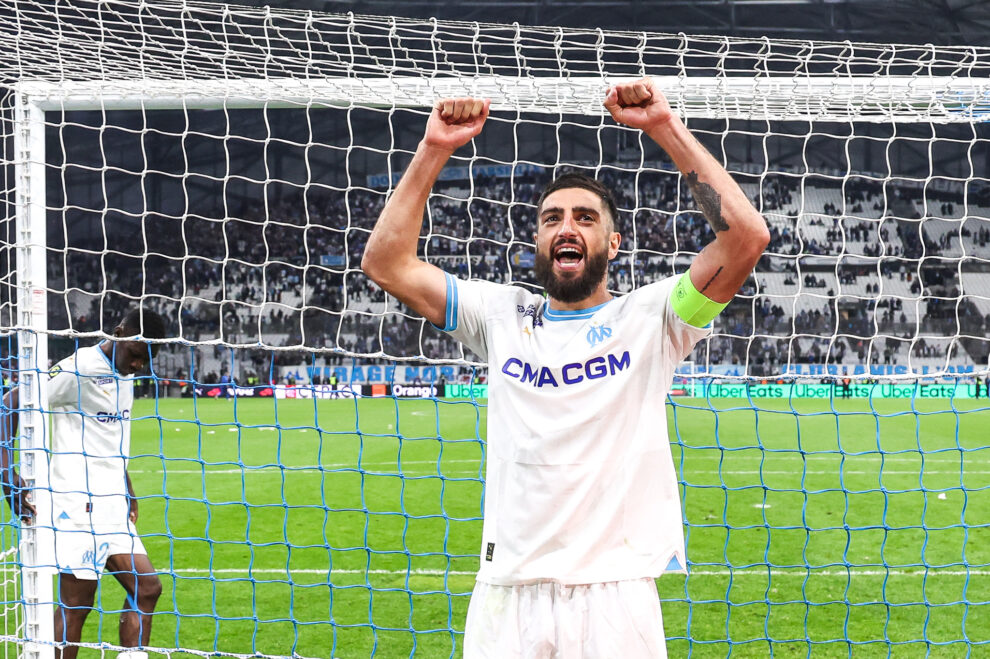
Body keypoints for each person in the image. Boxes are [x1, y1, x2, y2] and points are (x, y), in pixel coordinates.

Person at [362, 78, 769, 657]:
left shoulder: (653, 317)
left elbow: (746, 238)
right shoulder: (500, 316)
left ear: (614, 242)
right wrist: (434, 148)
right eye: (552, 219)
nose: (566, 228)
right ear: (538, 240)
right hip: (507, 592)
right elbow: (385, 263)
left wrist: (663, 127)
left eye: (584, 217)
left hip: (615, 592)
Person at [1, 308, 167, 659]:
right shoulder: (80, 367)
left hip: (113, 504)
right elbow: (11, 403)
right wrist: (6, 473)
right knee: (77, 604)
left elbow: (109, 437)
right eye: (136, 355)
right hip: (78, 505)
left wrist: (128, 489)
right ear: (119, 333)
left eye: (146, 360)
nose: (138, 365)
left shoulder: (124, 371)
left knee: (147, 589)